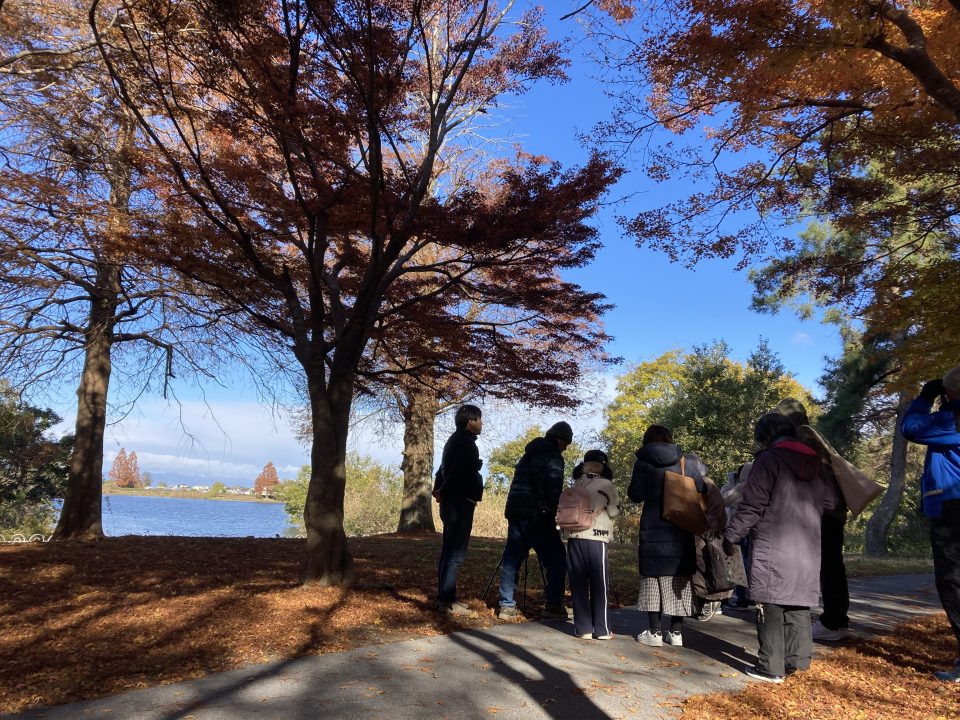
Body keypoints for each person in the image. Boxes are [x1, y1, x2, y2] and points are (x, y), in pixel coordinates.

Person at [723, 413, 836, 684]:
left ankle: (770, 667)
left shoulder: (769, 459)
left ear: (765, 436)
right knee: (798, 603)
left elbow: (753, 504)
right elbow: (830, 502)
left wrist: (731, 536)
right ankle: (798, 661)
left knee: (770, 603)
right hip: (808, 543)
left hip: (775, 539)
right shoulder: (816, 461)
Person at [901, 367, 960, 683]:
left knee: (951, 582)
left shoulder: (952, 420)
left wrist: (925, 398)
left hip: (952, 507)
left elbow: (911, 428)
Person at [774, 398, 851, 642]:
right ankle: (836, 619)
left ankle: (832, 621)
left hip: (820, 510)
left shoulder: (801, 437)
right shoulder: (815, 435)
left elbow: (804, 473)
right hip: (832, 508)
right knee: (831, 565)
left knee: (826, 566)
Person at [629, 424, 708, 648]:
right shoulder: (686, 461)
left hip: (653, 528)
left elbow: (635, 495)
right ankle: (675, 632)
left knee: (653, 578)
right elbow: (701, 489)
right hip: (680, 528)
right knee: (678, 577)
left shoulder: (643, 462)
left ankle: (654, 632)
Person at [497, 421, 574, 620]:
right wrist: (558, 510)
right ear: (560, 439)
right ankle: (553, 605)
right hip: (539, 516)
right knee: (557, 559)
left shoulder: (528, 454)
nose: (566, 448)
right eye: (566, 443)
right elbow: (553, 488)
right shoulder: (553, 456)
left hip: (516, 512)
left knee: (512, 560)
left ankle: (506, 605)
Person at [433, 404, 484, 616]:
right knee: (454, 554)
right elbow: (454, 474)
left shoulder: (455, 441)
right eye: (479, 419)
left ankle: (447, 598)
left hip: (452, 502)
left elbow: (442, 470)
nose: (481, 423)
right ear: (469, 421)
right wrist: (442, 491)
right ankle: (446, 601)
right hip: (459, 504)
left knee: (449, 551)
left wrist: (439, 490)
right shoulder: (466, 443)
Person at [565, 450, 621, 639]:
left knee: (578, 584)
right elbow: (613, 512)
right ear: (603, 466)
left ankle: (583, 629)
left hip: (574, 536)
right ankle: (603, 629)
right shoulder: (607, 485)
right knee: (599, 584)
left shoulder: (576, 483)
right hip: (598, 537)